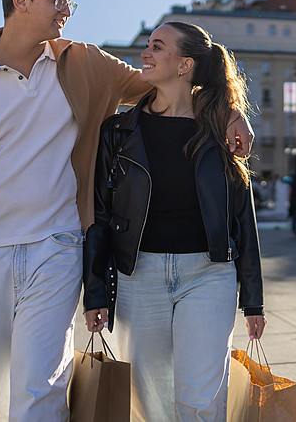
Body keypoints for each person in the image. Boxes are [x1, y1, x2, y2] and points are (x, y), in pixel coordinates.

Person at [0, 0, 254, 422]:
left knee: (42, 385)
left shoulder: (86, 62)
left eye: (70, 1)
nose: (67, 10)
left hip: (59, 245)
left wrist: (230, 110)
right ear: (20, 0)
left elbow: (168, 82)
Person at [82, 21, 265, 421]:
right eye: (147, 44)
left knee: (200, 401)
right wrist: (94, 291)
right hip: (138, 277)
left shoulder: (220, 131)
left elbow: (241, 217)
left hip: (209, 274)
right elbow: (100, 214)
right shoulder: (118, 131)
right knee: (152, 404)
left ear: (185, 65)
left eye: (157, 46)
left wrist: (253, 299)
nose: (145, 53)